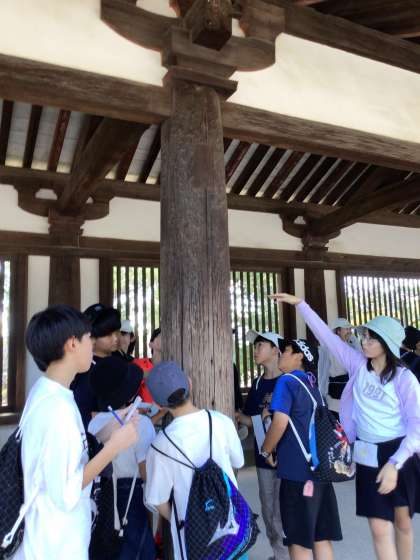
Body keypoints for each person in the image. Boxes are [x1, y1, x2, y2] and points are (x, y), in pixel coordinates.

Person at [269, 293, 420, 560]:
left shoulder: (404, 379)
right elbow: (327, 337)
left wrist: (395, 463)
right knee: (379, 527)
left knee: (403, 521)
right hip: (367, 450)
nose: (364, 341)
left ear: (387, 343)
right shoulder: (358, 365)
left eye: (371, 338)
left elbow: (417, 425)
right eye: (364, 336)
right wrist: (301, 304)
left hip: (400, 451)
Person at [17, 305, 138, 560]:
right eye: (88, 338)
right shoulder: (56, 408)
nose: (92, 346)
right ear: (73, 344)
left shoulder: (49, 393)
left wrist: (108, 433)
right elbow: (67, 491)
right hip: (55, 547)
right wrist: (114, 447)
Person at [144, 361, 244, 560]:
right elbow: (239, 462)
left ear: (159, 404)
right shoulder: (221, 421)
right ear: (189, 384)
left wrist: (185, 519)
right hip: (232, 525)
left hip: (193, 539)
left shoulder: (160, 445)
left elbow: (157, 500)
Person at [261, 335, 342, 560]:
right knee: (320, 538)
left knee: (298, 541)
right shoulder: (312, 385)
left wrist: (266, 450)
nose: (280, 354)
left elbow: (280, 422)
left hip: (297, 474)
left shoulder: (287, 381)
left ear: (299, 357)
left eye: (286, 350)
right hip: (320, 472)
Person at [89, 356, 156, 560]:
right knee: (138, 550)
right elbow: (145, 471)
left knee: (106, 548)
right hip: (132, 494)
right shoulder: (141, 423)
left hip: (102, 493)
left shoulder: (94, 423)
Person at [236, 330, 287, 560]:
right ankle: (278, 552)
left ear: (275, 350)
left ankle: (285, 554)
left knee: (281, 508)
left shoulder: (288, 380)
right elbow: (252, 418)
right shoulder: (257, 384)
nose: (255, 350)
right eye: (255, 346)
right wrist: (238, 416)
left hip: (286, 456)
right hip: (263, 455)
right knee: (267, 508)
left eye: (260, 346)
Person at [71, 303, 122, 430]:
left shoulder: (118, 359)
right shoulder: (86, 371)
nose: (115, 338)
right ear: (91, 337)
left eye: (117, 331)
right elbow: (83, 414)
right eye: (108, 334)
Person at [318, 318, 362, 418]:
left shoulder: (350, 346)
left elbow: (360, 359)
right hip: (334, 394)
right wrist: (322, 393)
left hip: (350, 392)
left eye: (350, 329)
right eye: (346, 329)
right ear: (338, 331)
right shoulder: (327, 348)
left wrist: (354, 340)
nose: (349, 331)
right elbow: (322, 371)